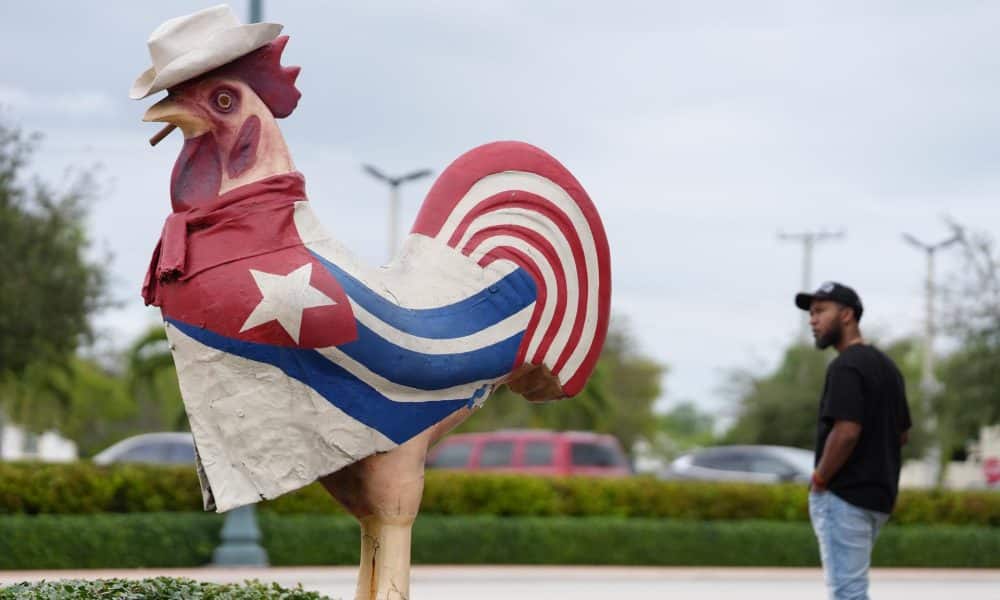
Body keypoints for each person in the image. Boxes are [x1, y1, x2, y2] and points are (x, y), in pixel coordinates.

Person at [795, 281, 912, 600]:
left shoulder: (846, 366)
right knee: (852, 589)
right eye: (811, 314)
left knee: (847, 592)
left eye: (820, 311)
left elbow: (846, 431)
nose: (812, 320)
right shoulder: (888, 368)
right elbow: (901, 433)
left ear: (846, 315)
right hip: (878, 497)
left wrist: (820, 479)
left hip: (844, 496)